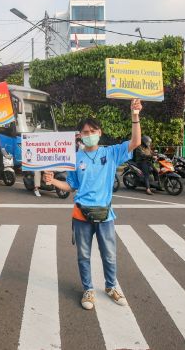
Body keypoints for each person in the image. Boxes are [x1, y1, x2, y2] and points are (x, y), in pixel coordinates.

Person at [43, 98, 142, 310]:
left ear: (100, 132)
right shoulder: (74, 158)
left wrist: (135, 116)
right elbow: (71, 186)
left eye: (92, 131)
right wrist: (52, 182)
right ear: (79, 135)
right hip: (81, 214)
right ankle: (88, 289)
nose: (89, 135)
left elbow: (135, 143)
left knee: (109, 254)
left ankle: (111, 286)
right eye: (85, 132)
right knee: (84, 255)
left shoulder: (111, 153)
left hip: (105, 215)